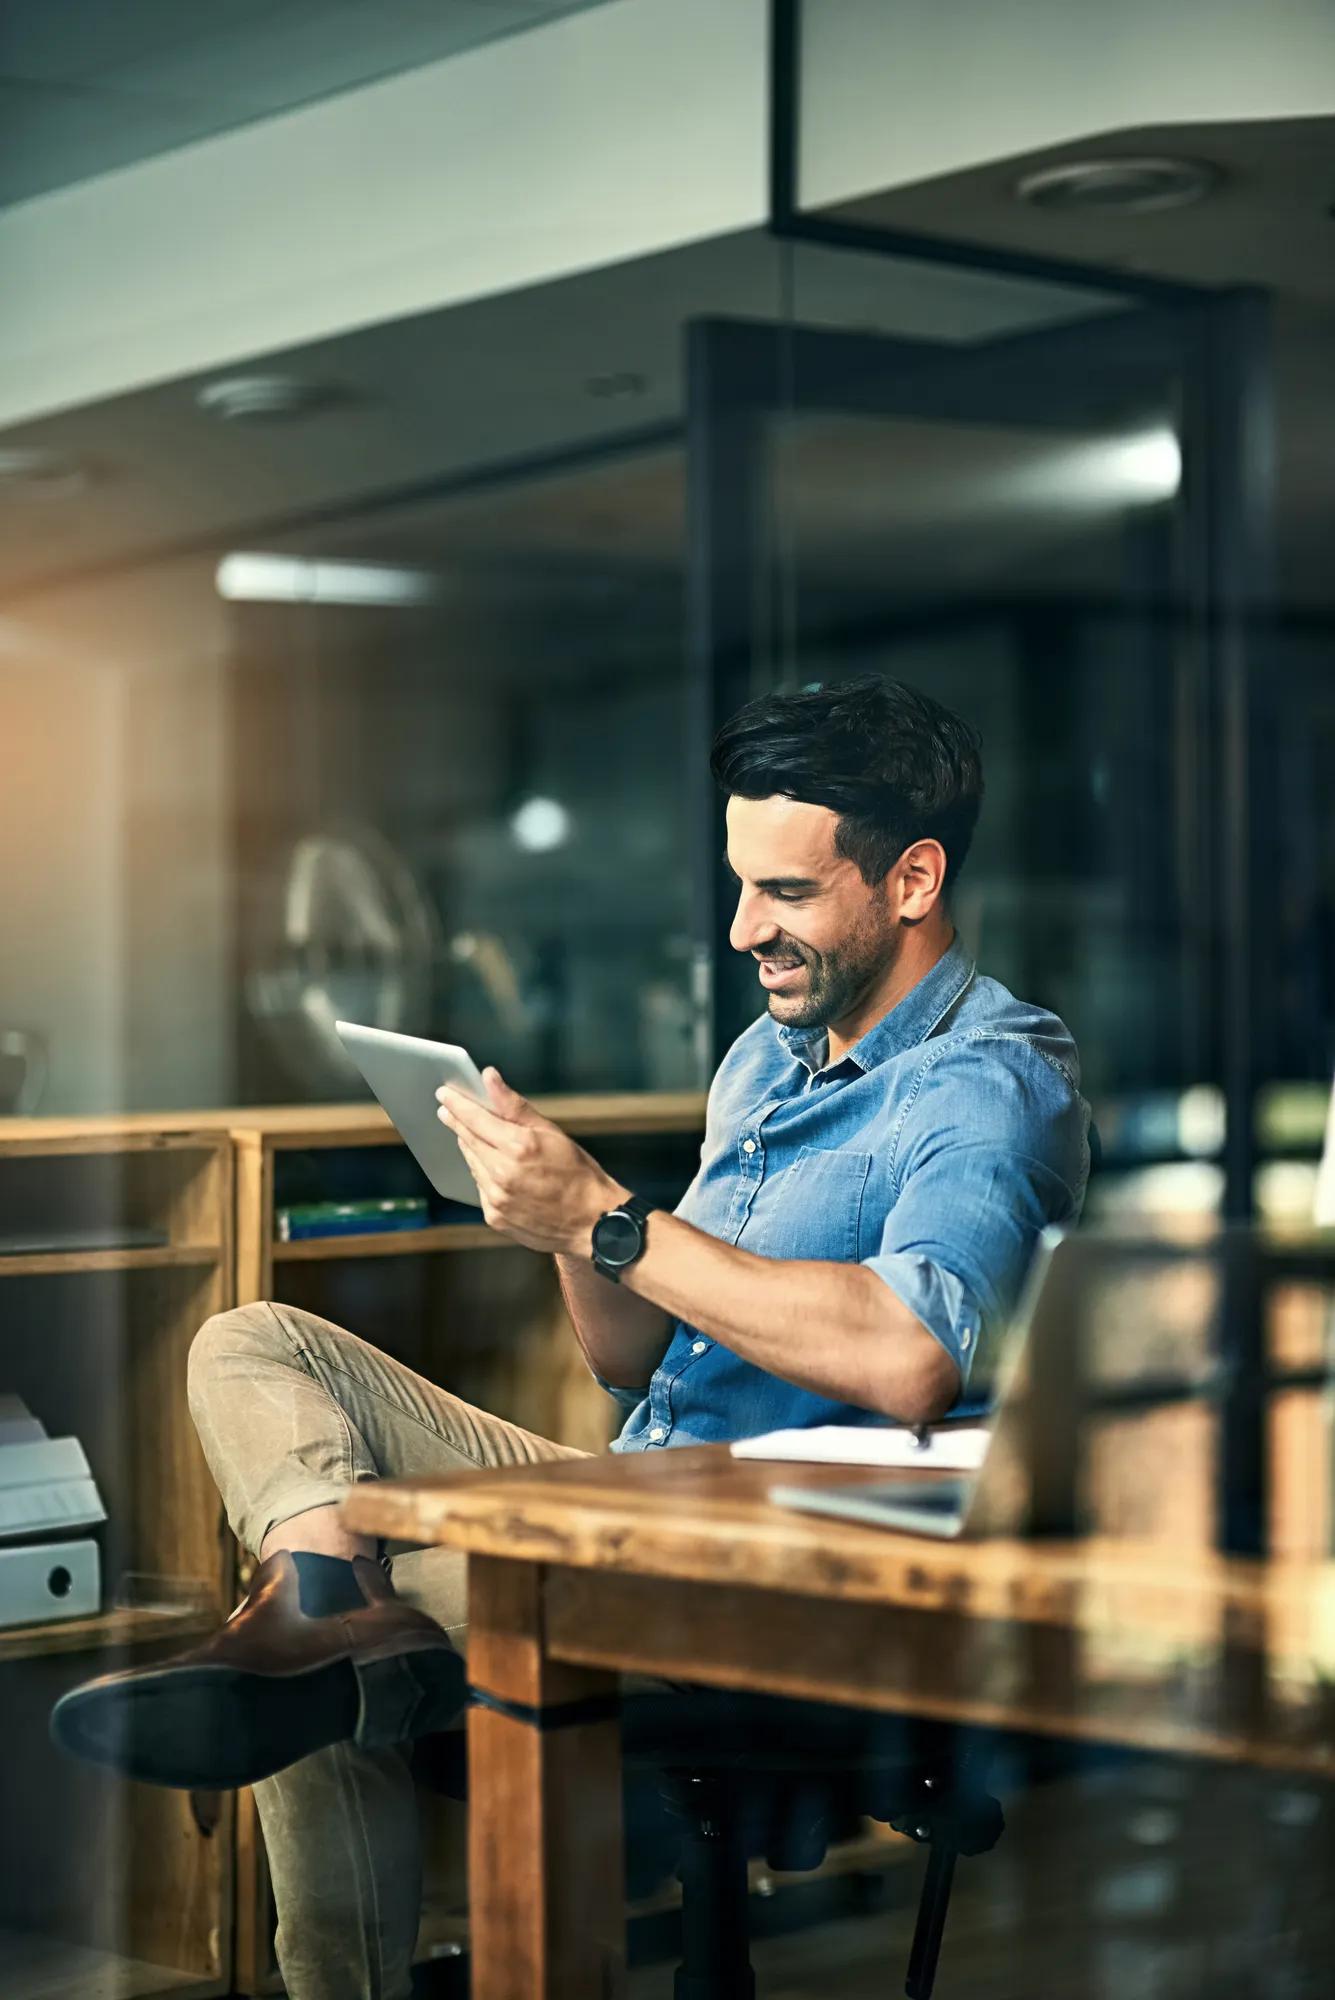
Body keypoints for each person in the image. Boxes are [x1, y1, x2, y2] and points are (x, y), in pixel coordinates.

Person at [52, 674, 1089, 1999]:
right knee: (256, 1344)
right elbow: (633, 1364)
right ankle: (325, 1599)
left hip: (795, 1577)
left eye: (784, 892)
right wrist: (557, 1215)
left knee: (332, 1660)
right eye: (740, 885)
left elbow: (913, 1358)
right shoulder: (761, 1063)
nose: (743, 929)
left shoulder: (992, 1081)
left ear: (914, 880)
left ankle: (325, 1618)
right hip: (636, 1498)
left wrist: (610, 1220)